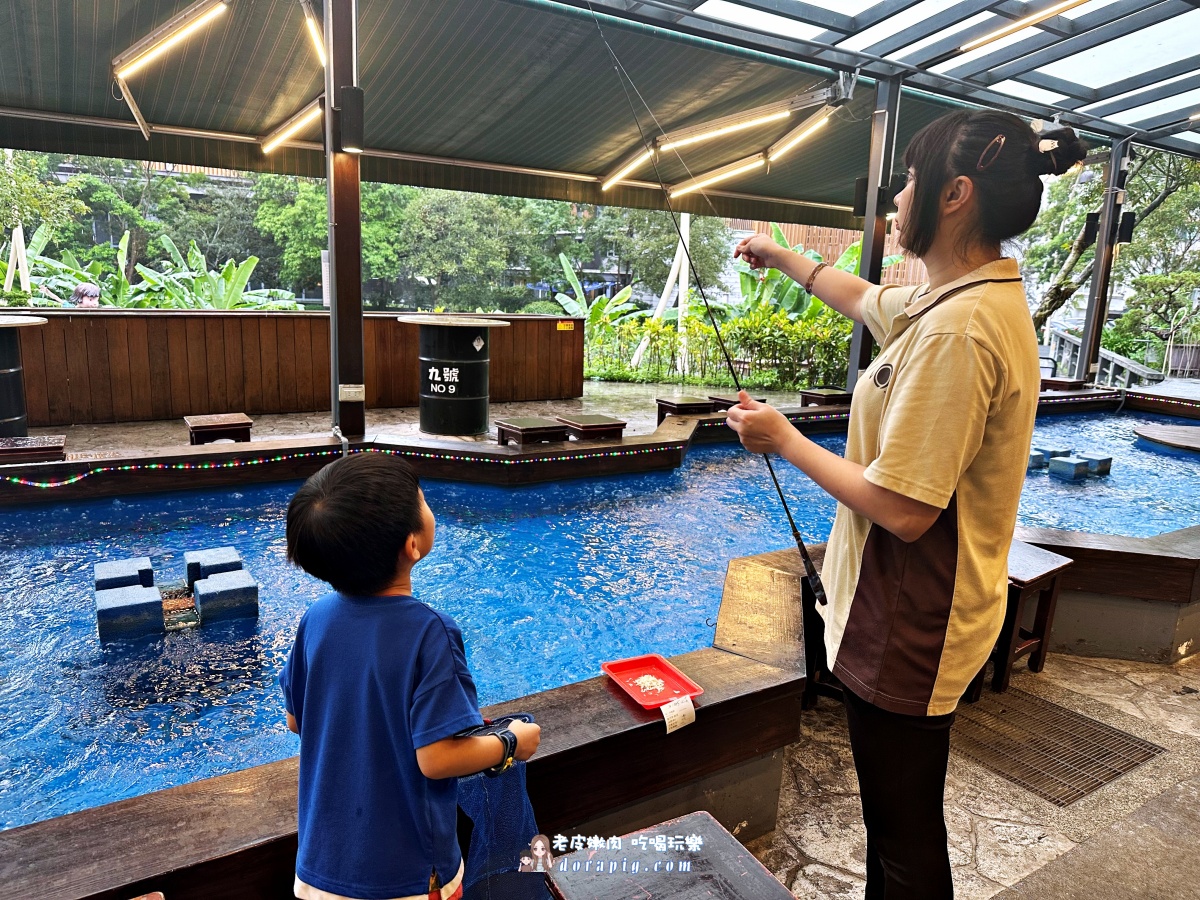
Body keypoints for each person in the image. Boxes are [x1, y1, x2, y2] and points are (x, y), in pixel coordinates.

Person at [727, 110, 1086, 899]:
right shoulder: (951, 303)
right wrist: (779, 252)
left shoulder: (960, 331)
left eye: (910, 185)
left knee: (903, 833)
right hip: (908, 609)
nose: (895, 203)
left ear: (955, 195)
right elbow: (862, 298)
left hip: (912, 617)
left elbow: (903, 509)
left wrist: (783, 438)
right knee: (897, 824)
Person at [280, 453, 541, 900]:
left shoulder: (316, 619)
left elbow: (296, 721)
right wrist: (512, 742)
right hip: (408, 877)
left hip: (319, 867)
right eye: (423, 501)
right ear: (412, 545)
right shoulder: (429, 631)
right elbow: (436, 759)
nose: (429, 506)